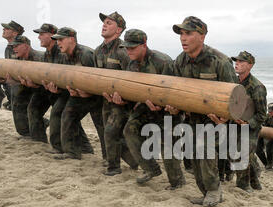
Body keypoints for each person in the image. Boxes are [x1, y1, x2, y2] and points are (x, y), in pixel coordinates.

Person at [167, 16, 238, 207]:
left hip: (216, 120)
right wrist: (174, 107)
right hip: (192, 118)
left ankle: (214, 191)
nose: (183, 38)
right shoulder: (180, 61)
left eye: (188, 33)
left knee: (205, 152)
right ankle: (206, 192)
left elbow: (237, 95)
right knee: (193, 157)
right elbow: (176, 91)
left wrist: (226, 118)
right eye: (181, 34)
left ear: (202, 36)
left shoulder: (220, 61)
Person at [120, 29, 185, 189]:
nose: (129, 51)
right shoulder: (131, 64)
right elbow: (134, 88)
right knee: (130, 130)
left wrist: (164, 105)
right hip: (146, 106)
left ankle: (177, 182)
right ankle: (151, 169)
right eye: (126, 48)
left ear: (144, 45)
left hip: (169, 110)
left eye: (132, 48)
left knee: (167, 147)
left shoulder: (163, 62)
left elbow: (178, 90)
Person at [49, 27, 105, 161]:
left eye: (61, 39)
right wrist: (58, 89)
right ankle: (72, 152)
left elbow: (99, 80)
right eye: (57, 40)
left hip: (96, 96)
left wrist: (89, 94)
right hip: (77, 95)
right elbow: (64, 78)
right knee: (67, 115)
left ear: (72, 39)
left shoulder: (86, 54)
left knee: (101, 125)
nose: (58, 43)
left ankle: (108, 158)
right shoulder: (63, 56)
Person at [95, 12, 138, 175]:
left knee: (111, 132)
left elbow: (132, 77)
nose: (104, 25)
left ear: (119, 29)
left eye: (109, 23)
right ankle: (134, 161)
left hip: (122, 102)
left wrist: (125, 99)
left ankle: (114, 167)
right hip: (105, 100)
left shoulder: (124, 51)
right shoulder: (98, 51)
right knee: (111, 133)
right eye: (104, 22)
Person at [229, 51, 267, 192]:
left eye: (241, 62)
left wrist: (248, 123)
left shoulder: (257, 87)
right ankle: (255, 182)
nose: (237, 64)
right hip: (234, 124)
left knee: (241, 155)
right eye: (236, 61)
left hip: (250, 128)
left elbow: (262, 114)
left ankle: (243, 186)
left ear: (250, 65)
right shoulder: (233, 82)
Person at [6, 36, 44, 138]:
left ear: (26, 46)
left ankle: (39, 138)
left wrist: (36, 85)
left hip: (43, 89)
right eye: (13, 46)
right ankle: (26, 133)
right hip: (27, 86)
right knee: (18, 104)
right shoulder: (17, 59)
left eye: (17, 46)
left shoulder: (40, 58)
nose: (14, 49)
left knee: (33, 109)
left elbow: (48, 76)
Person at [0, 20, 24, 110]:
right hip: (13, 84)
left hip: (21, 86)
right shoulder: (9, 48)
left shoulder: (21, 47)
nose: (3, 29)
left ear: (14, 33)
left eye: (6, 28)